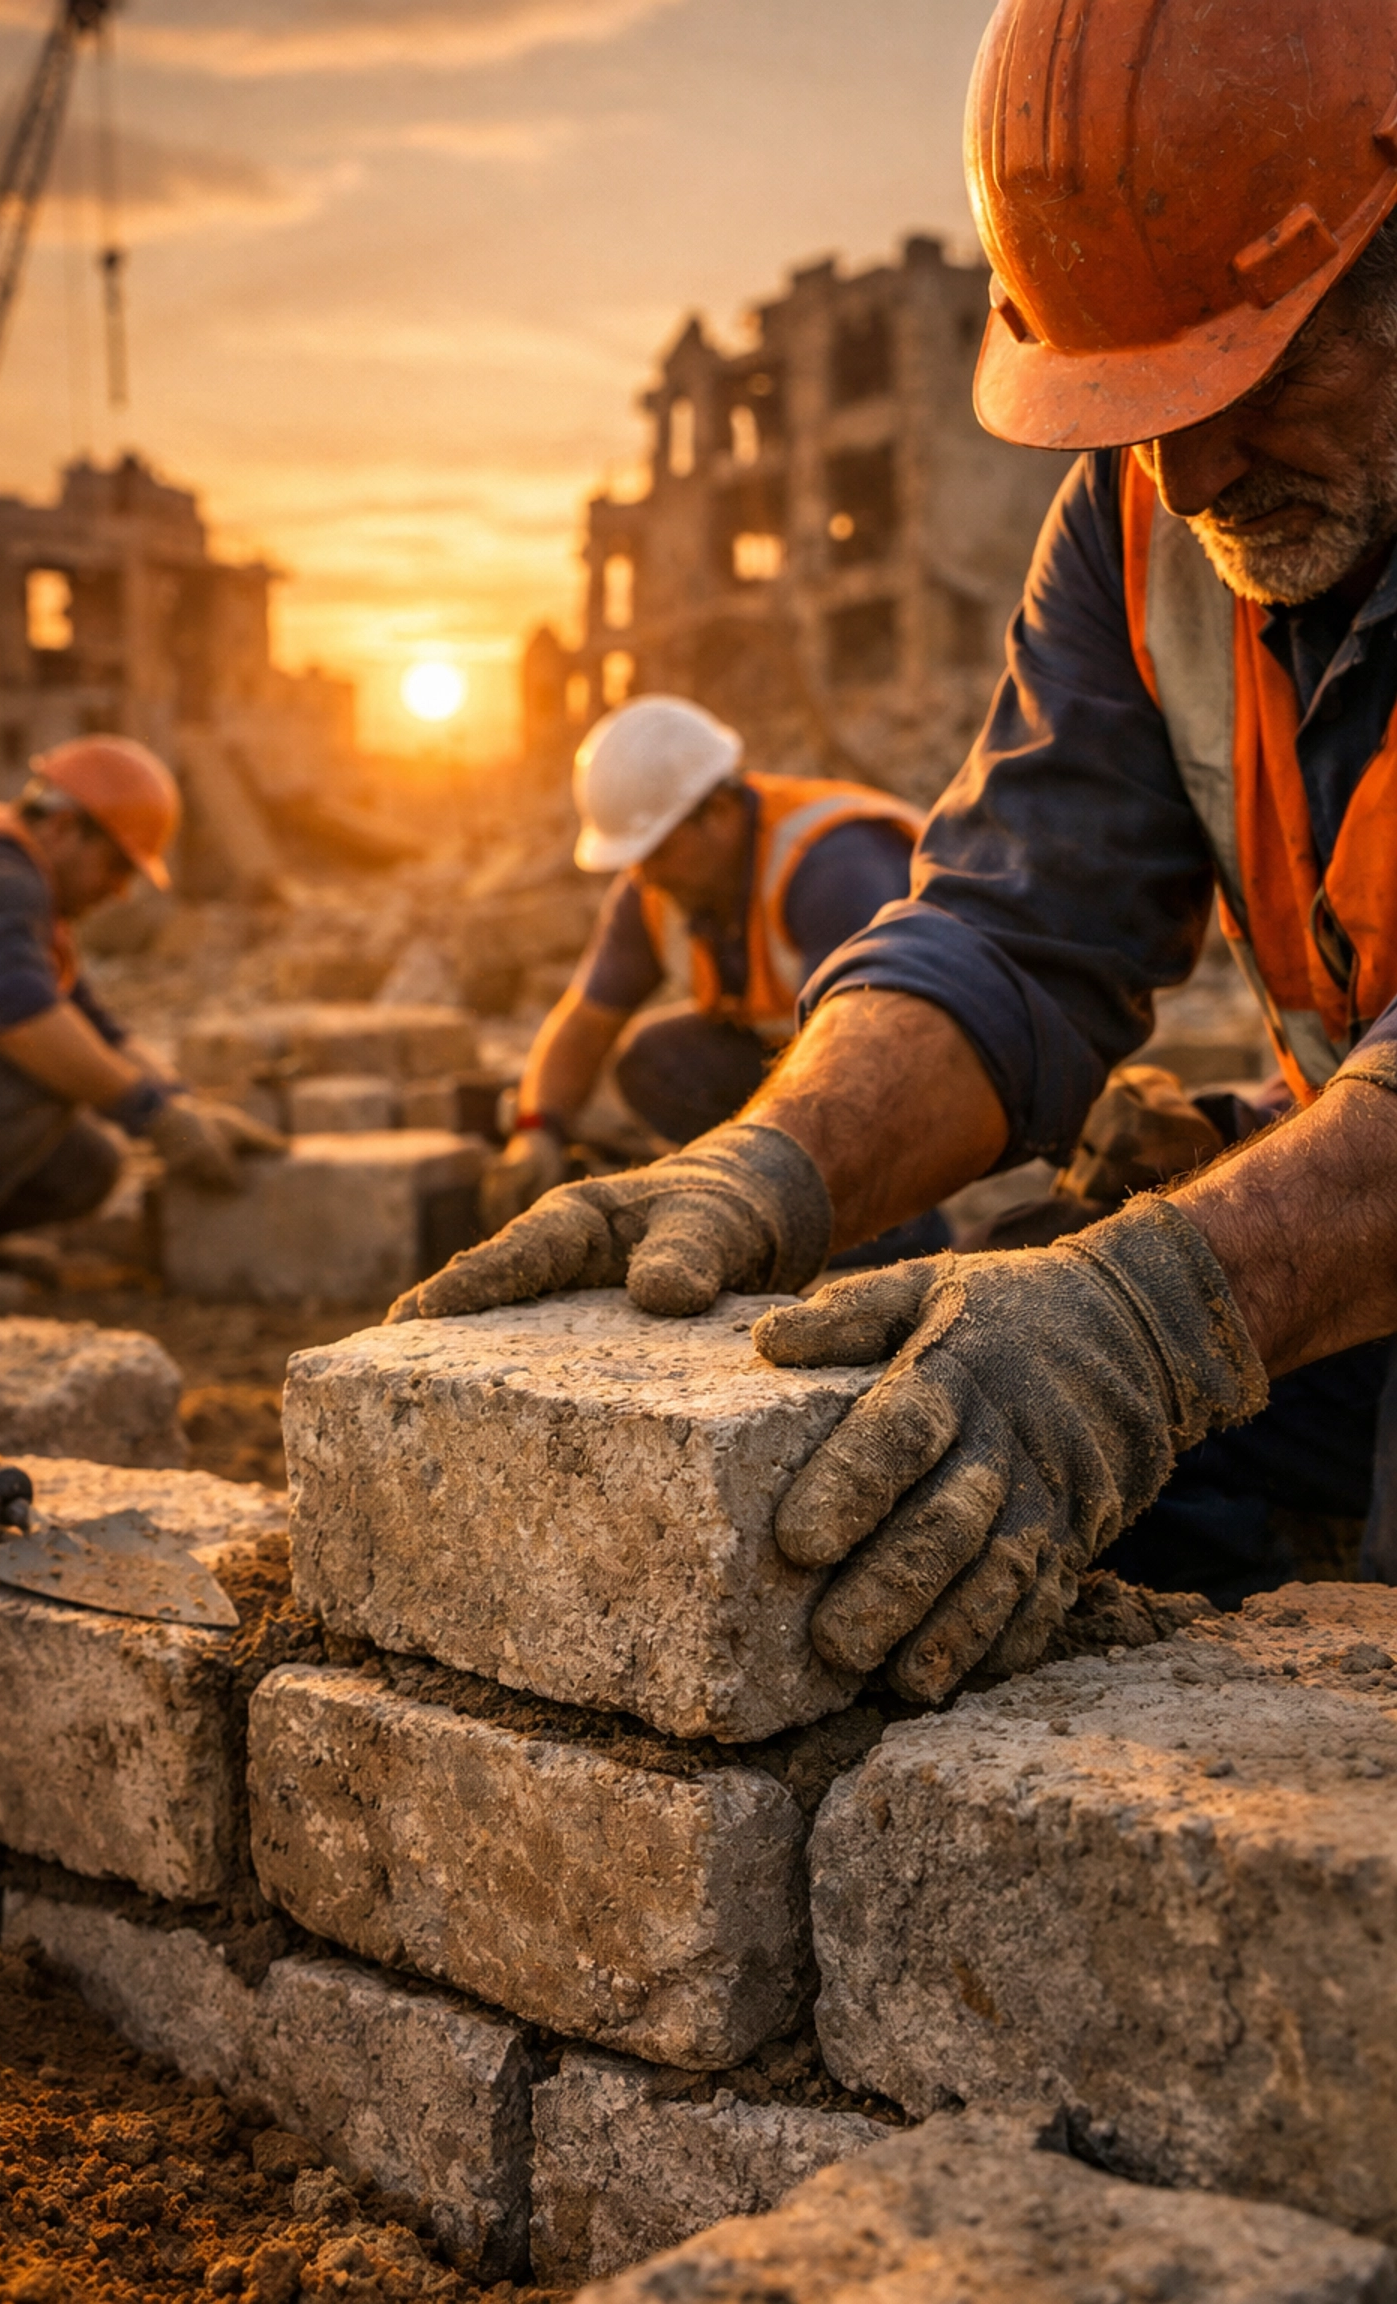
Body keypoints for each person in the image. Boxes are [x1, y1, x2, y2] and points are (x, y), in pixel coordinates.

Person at [391, 0, 1397, 1696]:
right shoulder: (1149, 516)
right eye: (1139, 392)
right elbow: (1015, 930)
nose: (1191, 463)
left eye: (1265, 367)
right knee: (957, 1460)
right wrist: (771, 1161)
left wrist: (1151, 1321)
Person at [0, 736, 280, 1312]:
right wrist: (154, 1119)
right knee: (36, 1073)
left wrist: (185, 1107)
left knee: (87, 1167)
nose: (119, 890)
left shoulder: (14, 884)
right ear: (61, 829)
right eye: (115, 864)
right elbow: (27, 1027)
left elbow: (94, 1027)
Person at [484, 694, 924, 1233]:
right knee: (658, 1061)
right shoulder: (657, 889)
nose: (644, 875)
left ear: (716, 813)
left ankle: (894, 1232)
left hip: (914, 1067)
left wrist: (739, 1176)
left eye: (657, 851)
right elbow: (586, 1022)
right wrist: (536, 1129)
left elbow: (862, 1062)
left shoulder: (833, 868)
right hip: (814, 1057)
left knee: (834, 1169)